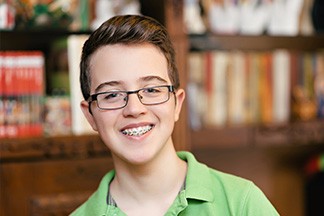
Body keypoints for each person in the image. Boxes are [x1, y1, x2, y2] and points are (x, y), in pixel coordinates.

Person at [71, 15, 279, 216]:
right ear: (90, 115)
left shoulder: (242, 203)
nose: (134, 109)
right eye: (112, 95)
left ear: (177, 104)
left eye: (151, 90)